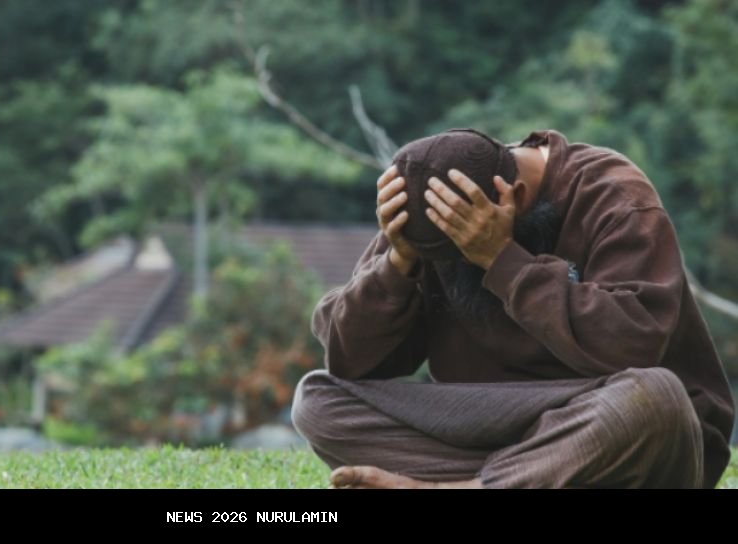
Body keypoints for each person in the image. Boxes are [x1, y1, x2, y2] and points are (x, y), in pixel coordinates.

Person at [291, 128, 736, 489]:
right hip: (494, 426)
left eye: (463, 248)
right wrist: (398, 262)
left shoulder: (614, 196)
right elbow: (349, 359)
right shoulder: (435, 211)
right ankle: (519, 478)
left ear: (516, 197)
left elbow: (633, 345)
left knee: (653, 398)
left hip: (609, 422)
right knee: (317, 399)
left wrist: (501, 258)